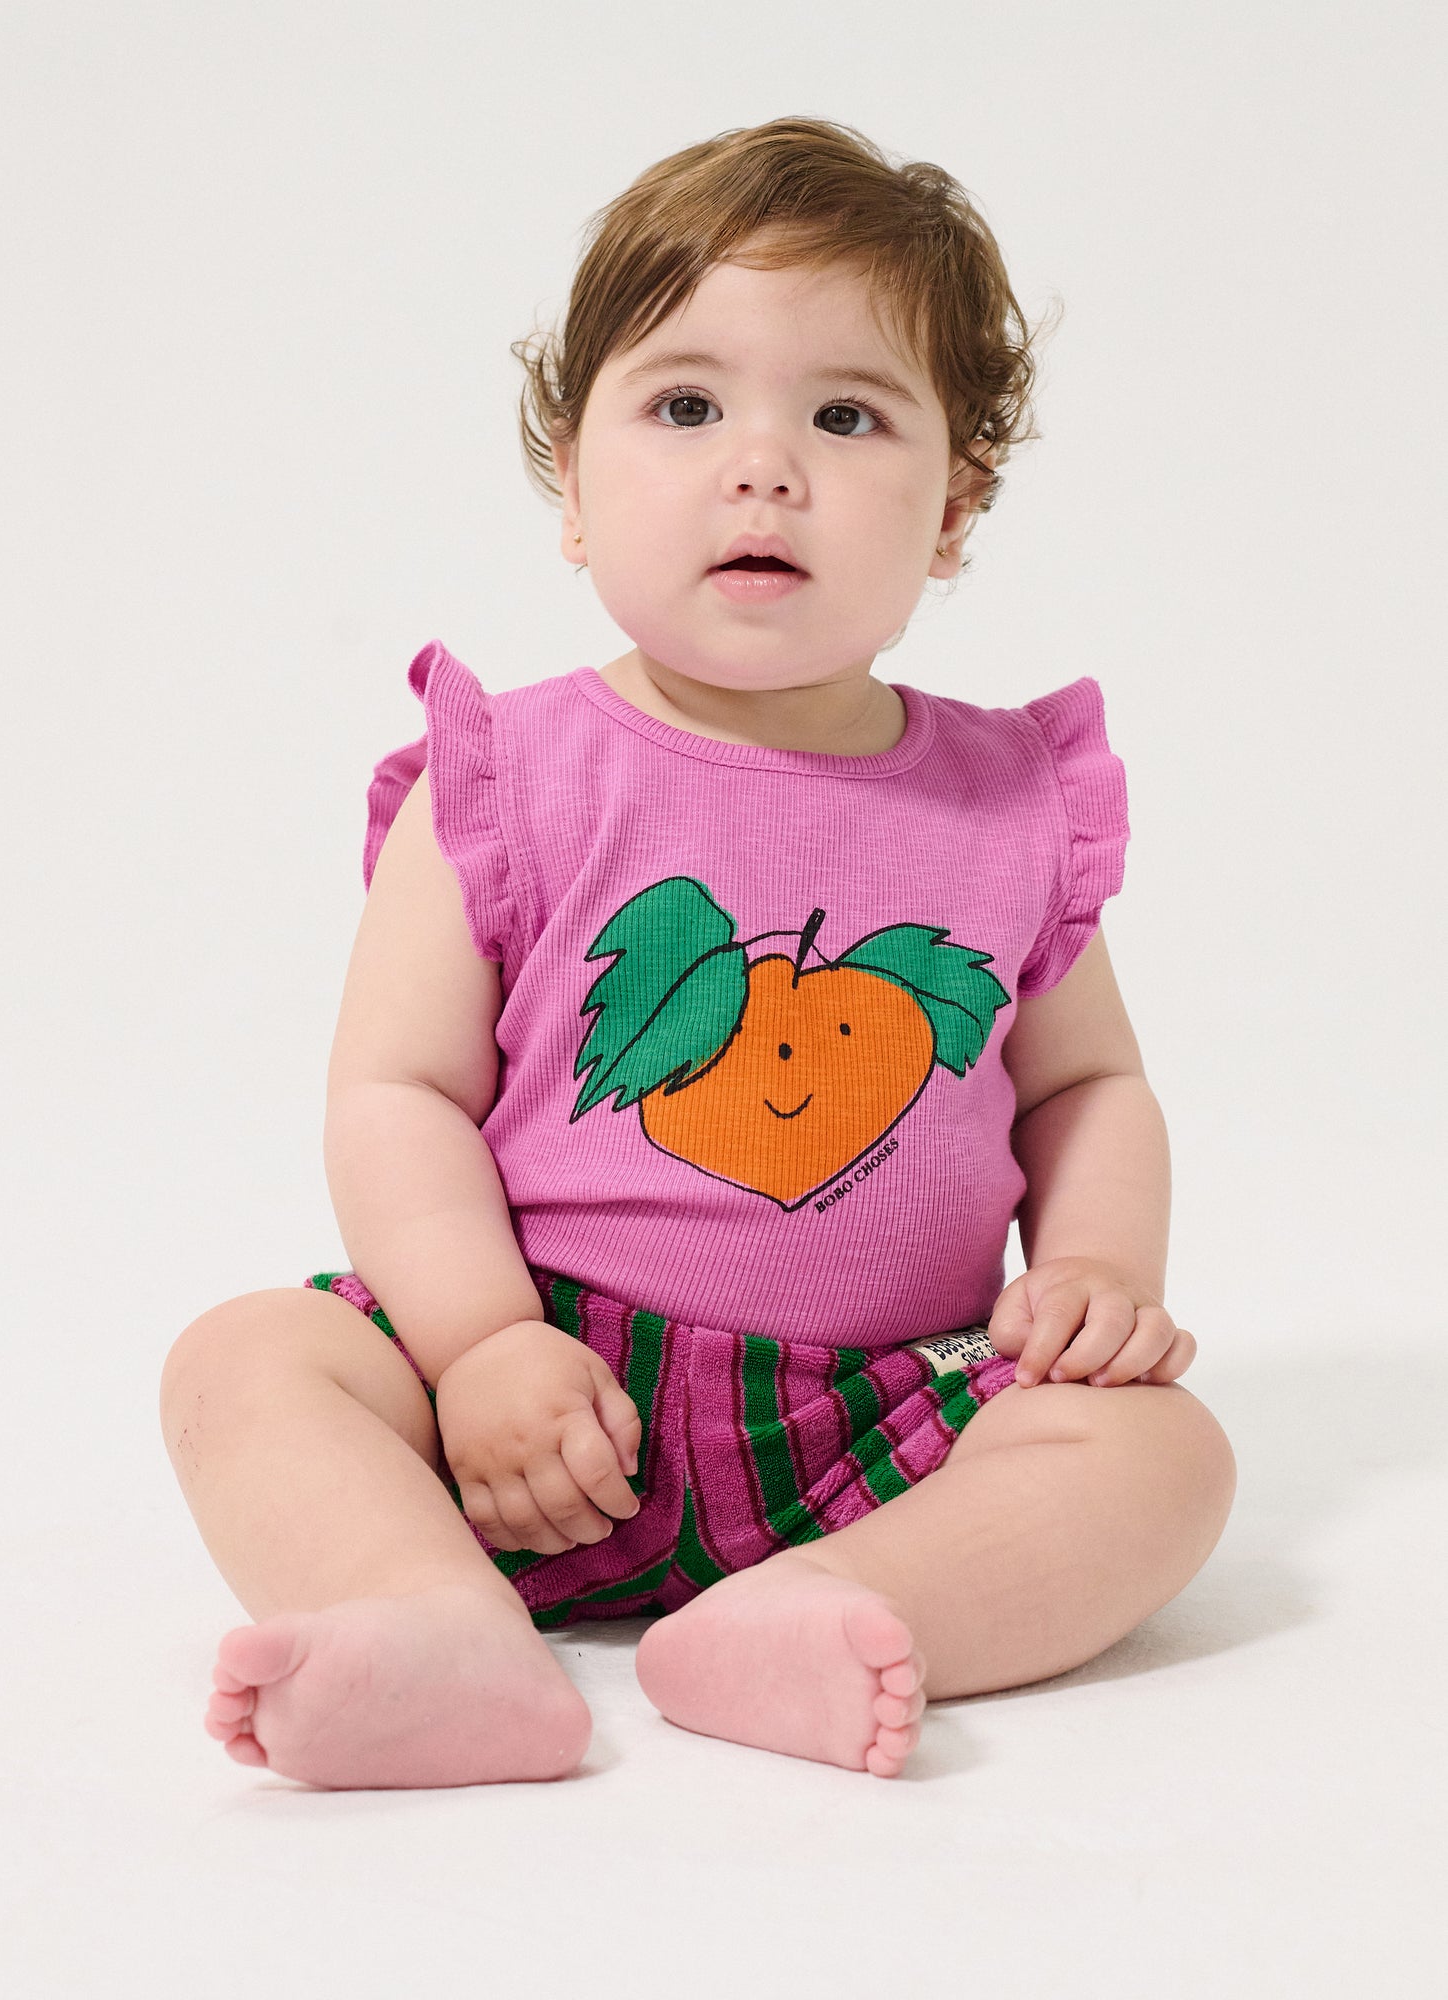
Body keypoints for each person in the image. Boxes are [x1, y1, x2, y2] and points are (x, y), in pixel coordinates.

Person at [159, 115, 1237, 1791]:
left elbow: (1086, 1085)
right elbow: (396, 1095)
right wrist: (478, 1344)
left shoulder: (1006, 801)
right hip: (538, 1396)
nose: (764, 466)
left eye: (846, 416)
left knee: (1163, 1456)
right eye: (685, 407)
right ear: (574, 488)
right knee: (250, 1359)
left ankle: (830, 1611)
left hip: (896, 1415)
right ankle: (430, 1619)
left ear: (953, 508)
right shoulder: (507, 776)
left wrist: (1098, 1267)